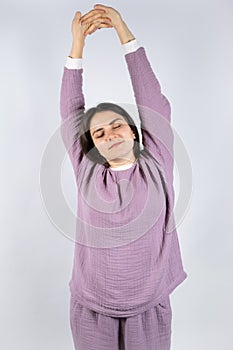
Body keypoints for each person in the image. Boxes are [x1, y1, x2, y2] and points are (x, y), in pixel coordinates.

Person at [60, 4, 187, 350]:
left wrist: (122, 30)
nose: (110, 134)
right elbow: (71, 112)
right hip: (92, 309)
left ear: (134, 132)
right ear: (93, 148)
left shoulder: (157, 162)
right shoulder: (87, 170)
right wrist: (76, 46)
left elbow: (152, 102)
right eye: (99, 134)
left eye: (117, 125)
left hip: (148, 307)